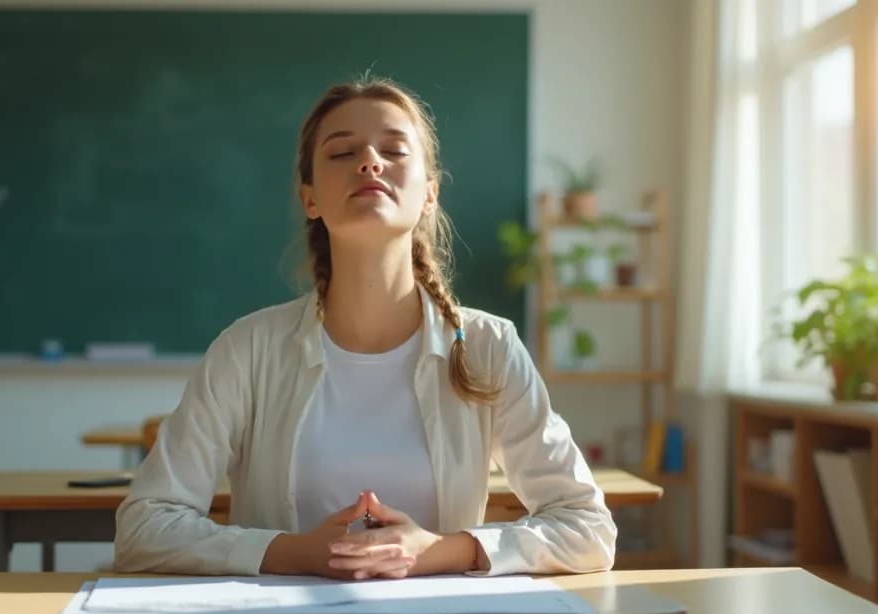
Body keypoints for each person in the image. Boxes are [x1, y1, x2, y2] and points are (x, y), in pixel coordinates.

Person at [113, 76, 615, 580]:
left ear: (429, 194)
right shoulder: (247, 350)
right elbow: (144, 528)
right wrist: (298, 554)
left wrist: (439, 551)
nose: (370, 162)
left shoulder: (487, 346)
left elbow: (588, 528)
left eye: (394, 150)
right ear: (310, 198)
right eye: (341, 152)